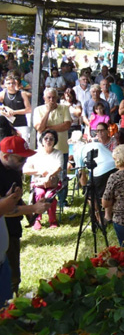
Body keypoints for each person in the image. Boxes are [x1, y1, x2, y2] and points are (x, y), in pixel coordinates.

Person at [0, 135, 51, 304]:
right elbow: (4, 209)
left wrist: (30, 212)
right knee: (10, 277)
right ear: (6, 156)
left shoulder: (15, 170)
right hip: (5, 225)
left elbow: (14, 199)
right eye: (21, 159)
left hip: (11, 231)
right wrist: (32, 208)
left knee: (13, 271)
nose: (24, 163)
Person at [22, 130, 63, 229]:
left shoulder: (58, 153)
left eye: (51, 139)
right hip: (38, 182)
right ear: (42, 140)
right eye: (46, 138)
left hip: (53, 182)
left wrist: (49, 175)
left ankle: (52, 220)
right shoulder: (35, 153)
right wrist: (40, 172)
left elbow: (59, 167)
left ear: (55, 141)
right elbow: (25, 169)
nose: (48, 141)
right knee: (39, 194)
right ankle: (37, 219)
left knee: (50, 196)